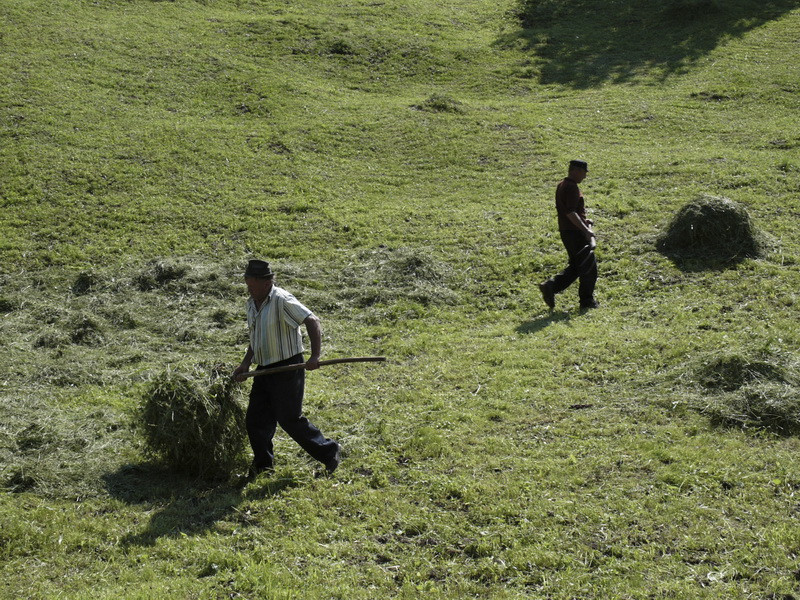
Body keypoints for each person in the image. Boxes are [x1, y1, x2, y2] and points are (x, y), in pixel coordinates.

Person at [232, 259, 341, 478]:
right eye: (247, 285)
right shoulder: (251, 304)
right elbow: (255, 337)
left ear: (265, 282)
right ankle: (263, 467)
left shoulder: (281, 300)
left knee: (289, 419)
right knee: (255, 420)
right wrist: (246, 363)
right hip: (264, 369)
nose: (249, 289)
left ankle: (330, 452)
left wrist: (315, 356)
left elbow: (312, 320)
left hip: (287, 367)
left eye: (252, 285)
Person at [539, 160, 599, 310]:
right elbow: (570, 212)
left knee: (577, 267)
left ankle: (551, 286)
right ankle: (587, 302)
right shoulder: (572, 187)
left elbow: (570, 211)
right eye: (584, 172)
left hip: (567, 232)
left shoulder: (562, 185)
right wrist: (586, 231)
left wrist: (585, 221)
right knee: (589, 267)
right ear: (576, 170)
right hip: (575, 233)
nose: (585, 176)